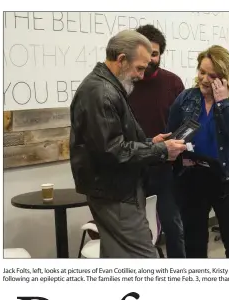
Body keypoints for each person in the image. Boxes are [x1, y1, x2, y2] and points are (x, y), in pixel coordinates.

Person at [69, 30, 187, 258]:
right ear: (121, 59)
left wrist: (149, 142)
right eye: (139, 68)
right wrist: (161, 149)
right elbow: (113, 151)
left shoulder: (106, 87)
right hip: (116, 193)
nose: (142, 76)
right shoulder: (102, 93)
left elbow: (113, 141)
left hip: (115, 190)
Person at [167, 45, 229, 258]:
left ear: (224, 77)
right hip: (193, 178)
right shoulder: (186, 98)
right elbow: (171, 133)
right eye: (201, 72)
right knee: (194, 242)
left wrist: (221, 102)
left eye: (212, 75)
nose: (204, 79)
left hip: (228, 178)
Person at [128, 24, 186, 258]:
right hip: (133, 167)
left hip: (167, 169)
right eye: (146, 53)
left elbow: (185, 125)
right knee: (138, 231)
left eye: (155, 53)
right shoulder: (124, 84)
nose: (151, 59)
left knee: (173, 226)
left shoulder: (173, 83)